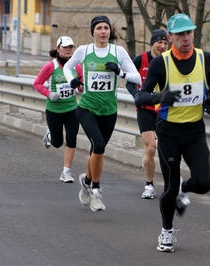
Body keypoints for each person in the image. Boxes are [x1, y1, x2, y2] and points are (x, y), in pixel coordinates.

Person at [137, 13, 210, 252]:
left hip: (195, 131)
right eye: (180, 34)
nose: (185, 38)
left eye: (189, 32)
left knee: (203, 183)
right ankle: (167, 232)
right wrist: (161, 97)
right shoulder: (160, 63)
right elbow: (141, 96)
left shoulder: (205, 58)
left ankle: (186, 189)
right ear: (170, 37)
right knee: (170, 188)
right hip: (169, 132)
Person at [63, 15, 141, 211]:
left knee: (96, 151)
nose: (103, 31)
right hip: (87, 107)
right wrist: (72, 80)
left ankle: (87, 181)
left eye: (106, 28)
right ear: (93, 32)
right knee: (98, 145)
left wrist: (120, 73)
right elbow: (67, 67)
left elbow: (137, 76)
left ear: (110, 31)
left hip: (109, 110)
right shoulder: (84, 50)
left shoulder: (118, 51)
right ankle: (96, 191)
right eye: (99, 28)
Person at [33, 36, 83, 183]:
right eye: (65, 47)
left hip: (72, 108)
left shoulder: (77, 66)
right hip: (54, 109)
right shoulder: (51, 66)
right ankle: (50, 136)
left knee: (71, 139)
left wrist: (81, 86)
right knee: (57, 143)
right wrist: (49, 94)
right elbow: (37, 84)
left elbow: (81, 86)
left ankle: (66, 172)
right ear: (58, 49)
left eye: (71, 47)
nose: (68, 49)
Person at [126, 29, 168, 199]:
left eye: (165, 43)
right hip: (145, 109)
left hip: (164, 110)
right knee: (150, 149)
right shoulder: (140, 60)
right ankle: (149, 185)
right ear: (152, 43)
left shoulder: (170, 61)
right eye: (159, 42)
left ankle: (172, 185)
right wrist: (136, 95)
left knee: (167, 149)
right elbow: (129, 82)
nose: (162, 46)